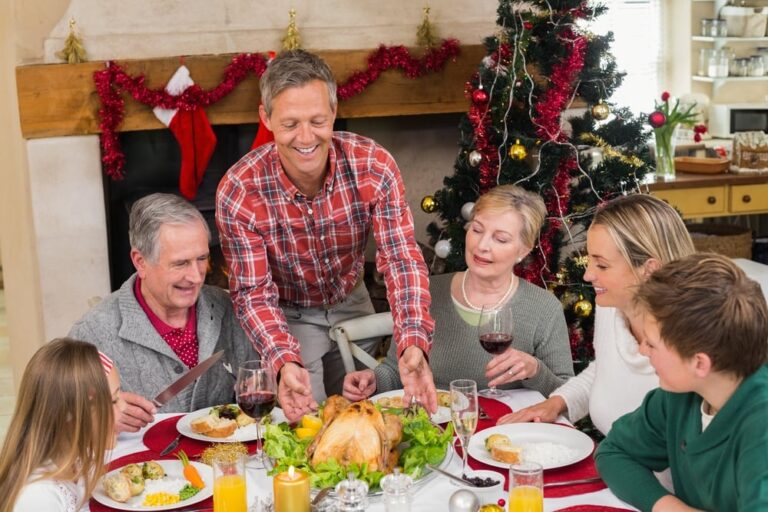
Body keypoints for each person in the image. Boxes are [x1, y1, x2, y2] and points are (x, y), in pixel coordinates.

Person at [216, 49, 436, 421]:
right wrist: (284, 360)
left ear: (334, 112)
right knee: (308, 427)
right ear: (265, 118)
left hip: (352, 298)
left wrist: (413, 341)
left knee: (365, 419)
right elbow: (253, 293)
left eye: (318, 120)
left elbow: (401, 259)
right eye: (290, 124)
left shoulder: (374, 165)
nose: (306, 138)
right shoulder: (239, 191)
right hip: (289, 317)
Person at [343, 185, 574, 399]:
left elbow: (566, 396)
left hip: (507, 436)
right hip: (435, 430)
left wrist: (535, 370)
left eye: (500, 239)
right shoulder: (424, 293)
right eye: (477, 230)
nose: (482, 245)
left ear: (523, 250)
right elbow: (395, 370)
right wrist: (373, 380)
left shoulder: (543, 308)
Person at [499, 194, 695, 434]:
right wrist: (557, 403)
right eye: (589, 260)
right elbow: (605, 370)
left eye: (602, 265)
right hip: (610, 460)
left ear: (649, 269)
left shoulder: (691, 342)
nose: (587, 275)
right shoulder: (610, 306)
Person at [70, 193, 257, 432]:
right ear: (140, 262)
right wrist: (101, 419)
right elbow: (61, 429)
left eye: (202, 259)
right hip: (138, 466)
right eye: (180, 264)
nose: (196, 276)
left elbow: (255, 386)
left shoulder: (229, 309)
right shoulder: (91, 334)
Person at [595, 253, 768, 511]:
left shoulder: (760, 425)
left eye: (651, 343)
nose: (642, 350)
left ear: (700, 363)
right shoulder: (682, 393)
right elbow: (613, 452)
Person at [0, 338, 121, 512]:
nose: (122, 410)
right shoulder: (38, 498)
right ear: (74, 415)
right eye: (115, 401)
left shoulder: (79, 457)